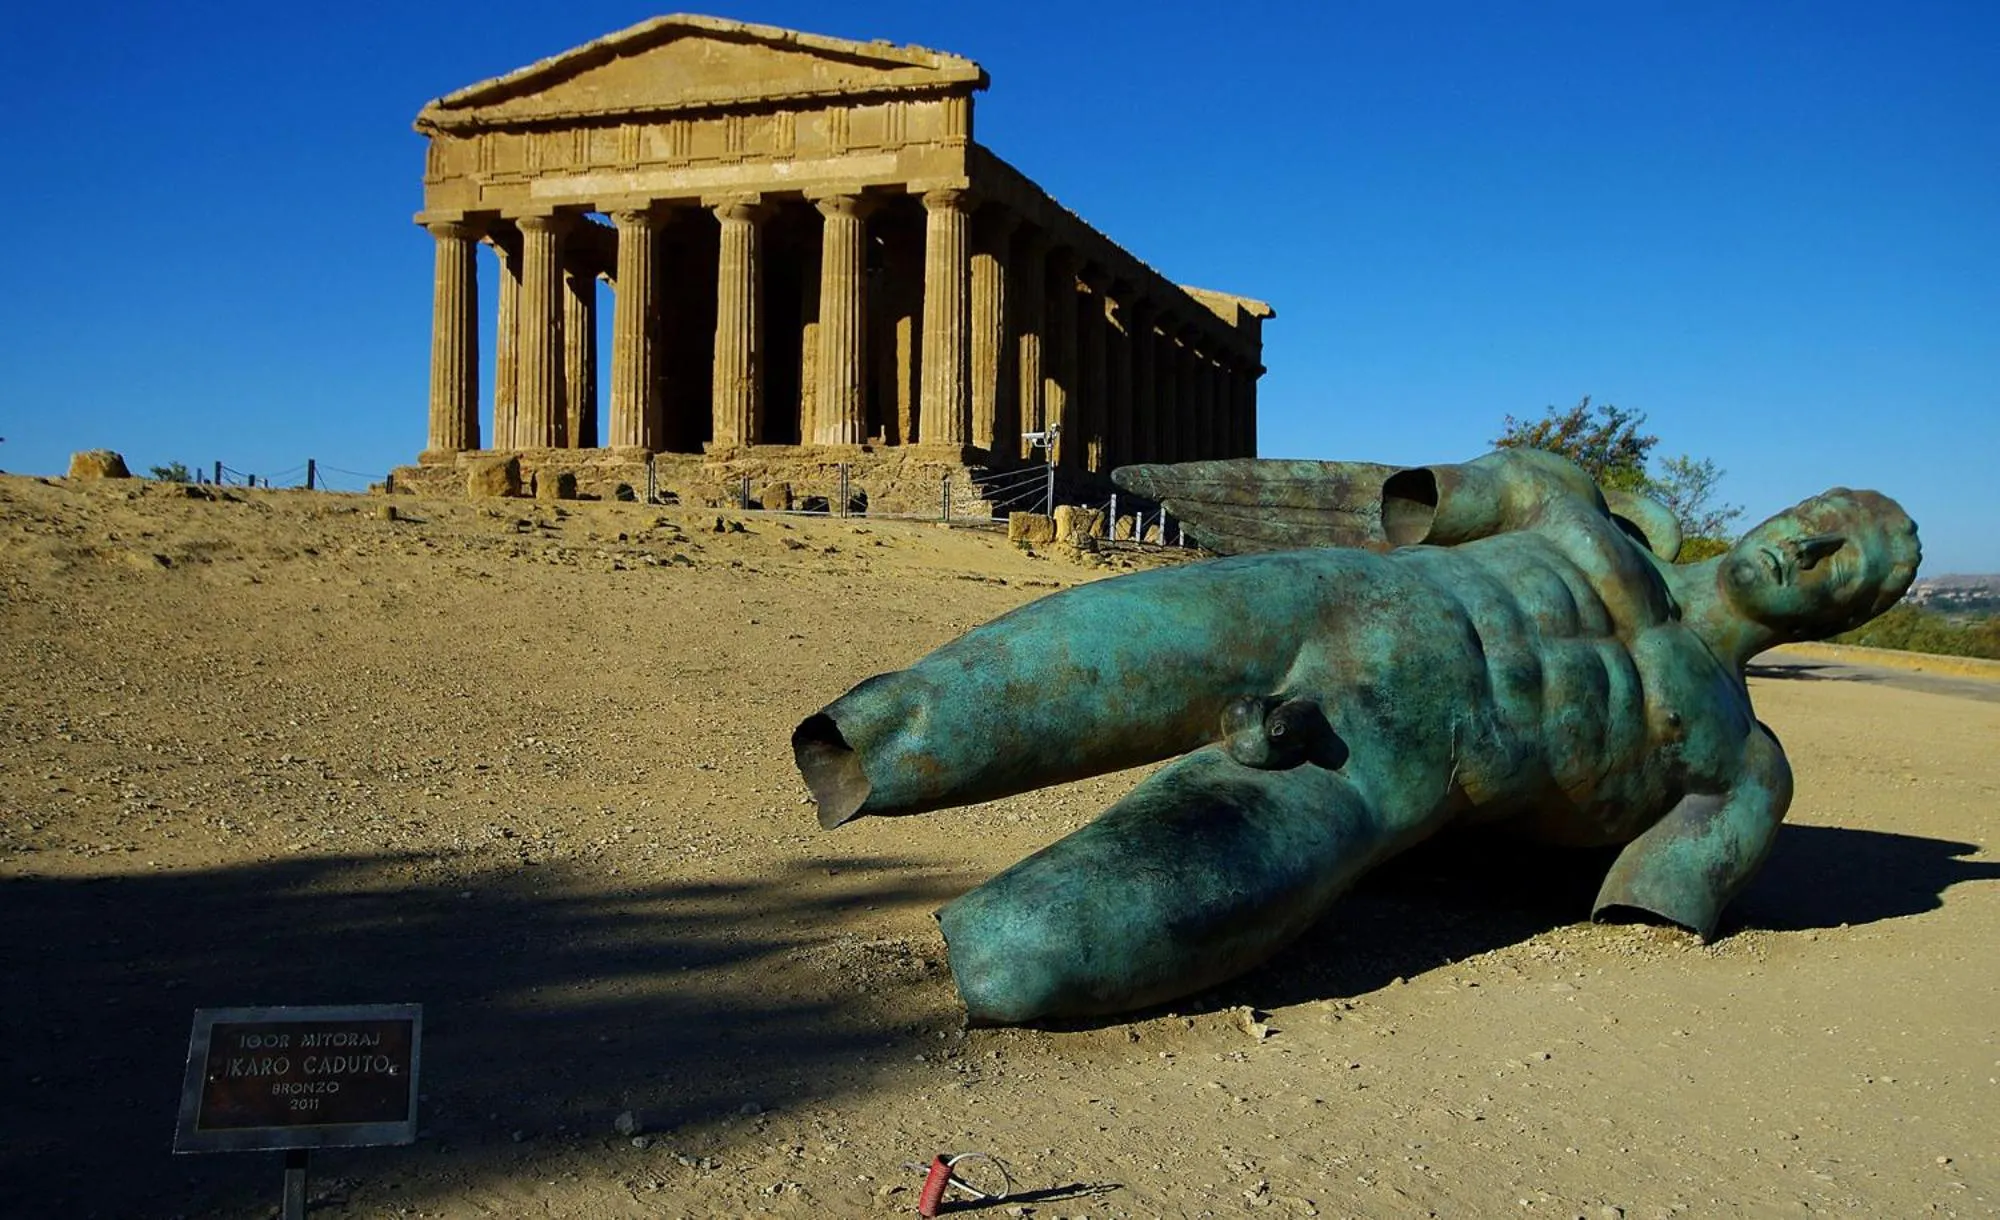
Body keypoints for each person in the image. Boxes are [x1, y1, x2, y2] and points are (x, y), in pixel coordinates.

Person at [793, 450, 1920, 1024]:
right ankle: (868, 752)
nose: (1806, 554)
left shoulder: (1737, 761)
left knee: (1022, 955)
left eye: (1841, 568)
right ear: (1786, 512)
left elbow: (1632, 892)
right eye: (1814, 526)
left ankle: (994, 942)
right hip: (1319, 600)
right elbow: (1401, 506)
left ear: (1845, 612)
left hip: (1383, 756)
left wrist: (1455, 831)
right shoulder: (1568, 498)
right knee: (997, 688)